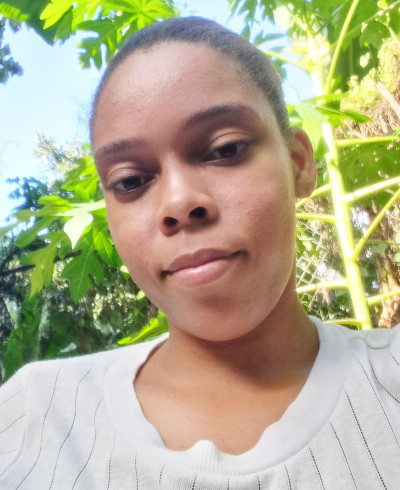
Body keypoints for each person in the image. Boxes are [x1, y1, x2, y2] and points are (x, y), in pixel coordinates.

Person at [1, 16, 400, 489]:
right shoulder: (31, 418)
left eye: (225, 150)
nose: (178, 203)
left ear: (298, 163)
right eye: (130, 181)